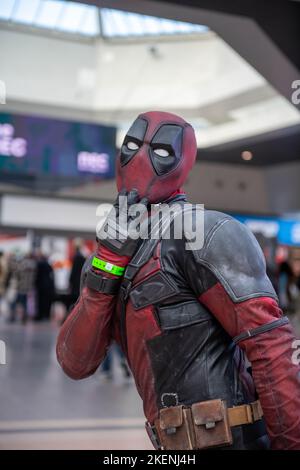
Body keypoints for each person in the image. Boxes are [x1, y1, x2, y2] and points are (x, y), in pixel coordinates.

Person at [57, 111, 300, 450]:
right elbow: (75, 362)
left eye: (160, 150)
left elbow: (272, 351)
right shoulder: (112, 253)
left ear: (184, 161)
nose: (139, 158)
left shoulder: (209, 232)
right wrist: (105, 269)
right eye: (130, 145)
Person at [35, 252, 55, 321]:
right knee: (47, 302)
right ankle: (47, 315)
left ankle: (40, 315)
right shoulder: (49, 265)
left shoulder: (39, 264)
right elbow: (52, 276)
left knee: (40, 301)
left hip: (40, 286)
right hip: (48, 286)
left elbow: (37, 276)